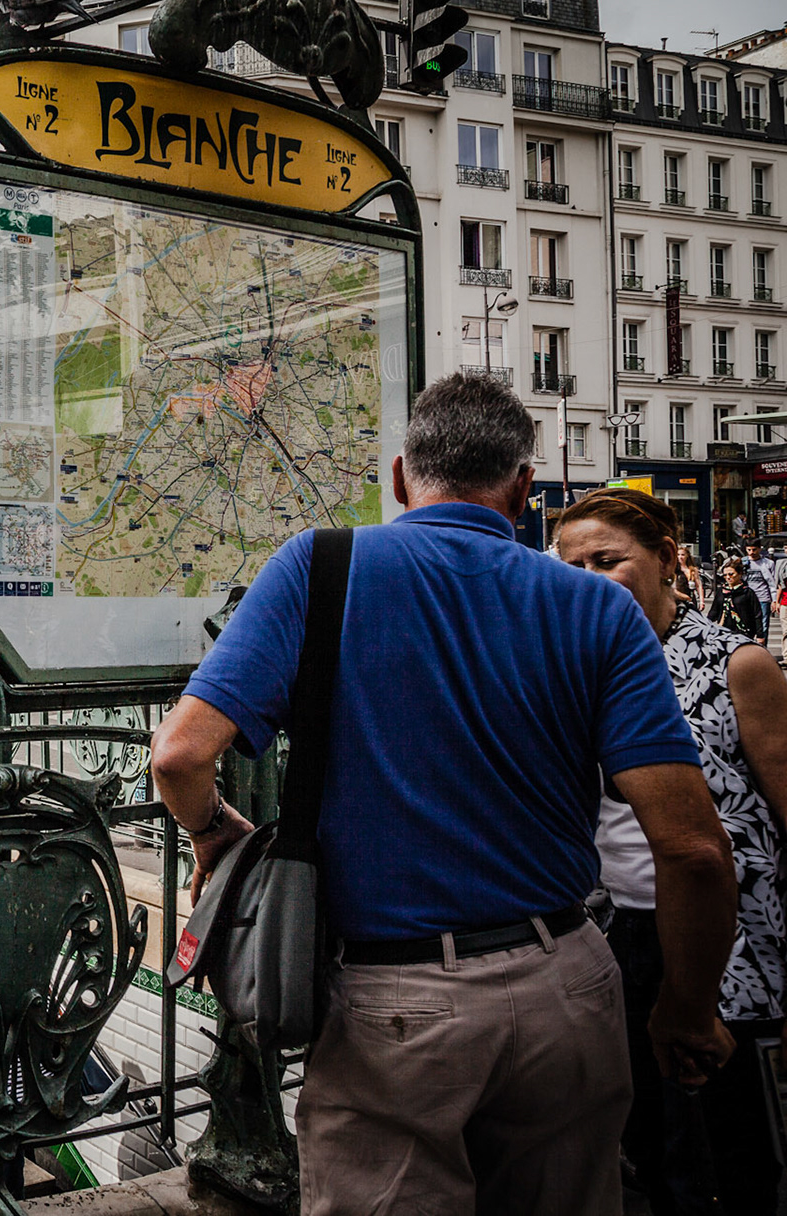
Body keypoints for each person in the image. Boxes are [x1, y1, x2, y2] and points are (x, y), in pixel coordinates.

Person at [150, 373, 738, 1215]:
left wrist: (213, 839)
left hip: (392, 1009)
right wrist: (686, 1011)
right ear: (525, 489)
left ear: (400, 477)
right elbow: (692, 848)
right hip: (565, 984)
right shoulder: (599, 610)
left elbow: (178, 758)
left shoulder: (318, 568)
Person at [559, 487, 787, 1214]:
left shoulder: (737, 664)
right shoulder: (577, 669)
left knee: (738, 1141)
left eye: (608, 561)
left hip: (735, 937)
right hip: (622, 931)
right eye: (572, 566)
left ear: (665, 561)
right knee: (652, 1138)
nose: (589, 579)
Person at [712, 558, 764, 639]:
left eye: (731, 574)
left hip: (744, 633)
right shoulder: (721, 591)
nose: (728, 577)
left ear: (740, 574)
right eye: (725, 575)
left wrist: (760, 634)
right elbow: (714, 611)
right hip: (724, 631)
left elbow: (757, 614)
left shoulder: (747, 592)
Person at [742, 541, 776, 639]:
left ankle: (763, 648)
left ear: (759, 549)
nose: (751, 552)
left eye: (754, 550)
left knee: (763, 625)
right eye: (749, 550)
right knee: (747, 624)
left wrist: (774, 600)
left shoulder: (768, 563)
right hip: (747, 598)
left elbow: (772, 583)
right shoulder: (743, 562)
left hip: (763, 598)